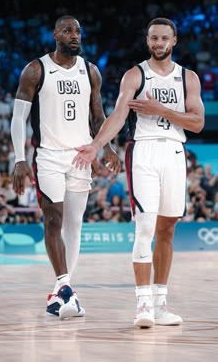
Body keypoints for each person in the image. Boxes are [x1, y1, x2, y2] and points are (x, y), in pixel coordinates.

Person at [72, 17, 205, 328]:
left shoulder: (189, 78)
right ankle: (143, 302)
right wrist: (96, 145)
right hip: (143, 151)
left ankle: (160, 303)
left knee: (167, 231)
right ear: (148, 41)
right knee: (145, 226)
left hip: (174, 151)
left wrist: (163, 111)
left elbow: (197, 123)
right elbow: (119, 115)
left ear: (174, 42)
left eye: (164, 38)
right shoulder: (135, 75)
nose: (158, 43)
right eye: (153, 38)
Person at [11, 15, 120, 320]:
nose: (76, 36)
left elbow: (98, 115)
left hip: (81, 156)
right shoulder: (36, 70)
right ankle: (65, 287)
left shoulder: (91, 71)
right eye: (69, 31)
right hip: (47, 155)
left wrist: (107, 146)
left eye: (79, 32)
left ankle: (61, 291)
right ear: (56, 34)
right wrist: (20, 159)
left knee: (74, 225)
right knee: (53, 219)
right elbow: (19, 118)